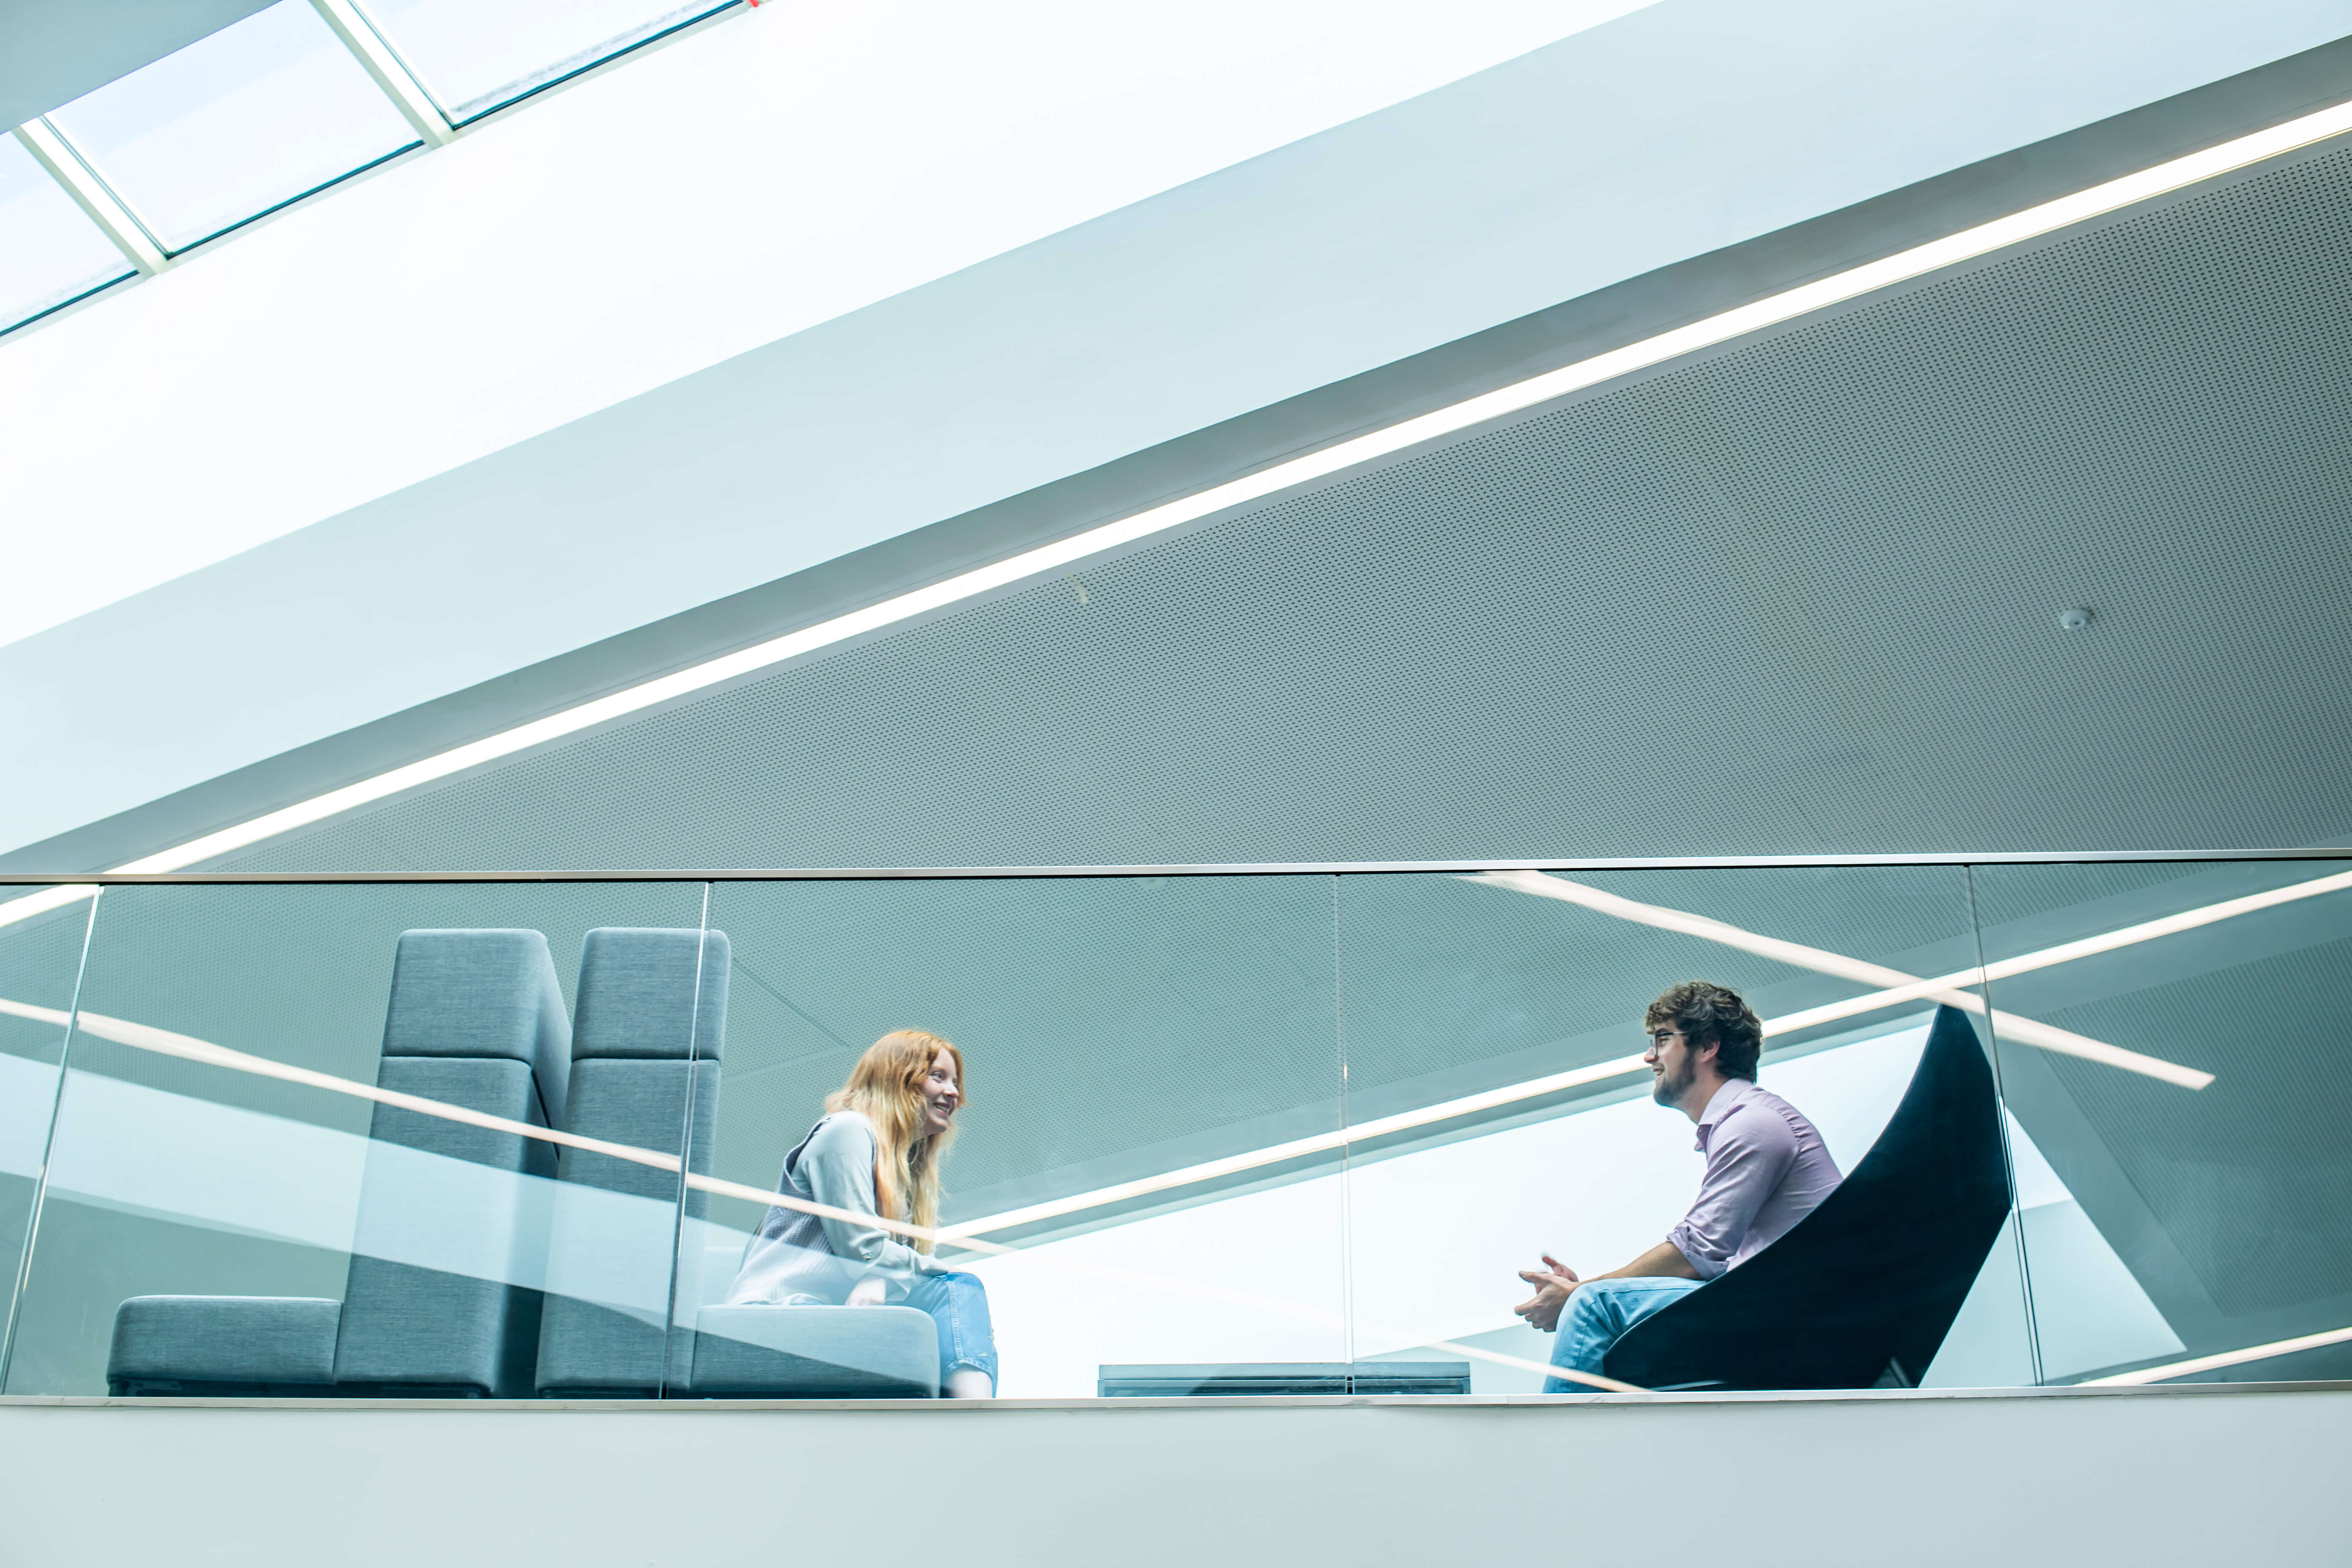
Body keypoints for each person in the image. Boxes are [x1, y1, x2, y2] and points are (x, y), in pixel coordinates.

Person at [1514, 980, 1842, 1391]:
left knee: (1594, 1304)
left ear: (1708, 1047)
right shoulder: (1745, 1122)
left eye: (1663, 1039)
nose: (1649, 1056)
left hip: (1796, 1315)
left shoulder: (1753, 1122)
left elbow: (1698, 1253)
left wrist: (1579, 1292)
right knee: (1600, 1304)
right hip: (1778, 1304)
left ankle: (1553, 1449)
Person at [726, 1028, 999, 1398]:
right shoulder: (847, 1130)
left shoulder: (908, 1172)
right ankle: (976, 1414)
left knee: (944, 1309)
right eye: (938, 1076)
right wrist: (912, 1270)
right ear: (897, 1077)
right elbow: (863, 1249)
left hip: (833, 1313)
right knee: (956, 1287)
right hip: (779, 1310)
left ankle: (967, 1412)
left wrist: (881, 1279)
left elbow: (880, 1262)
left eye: (955, 1082)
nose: (955, 1093)